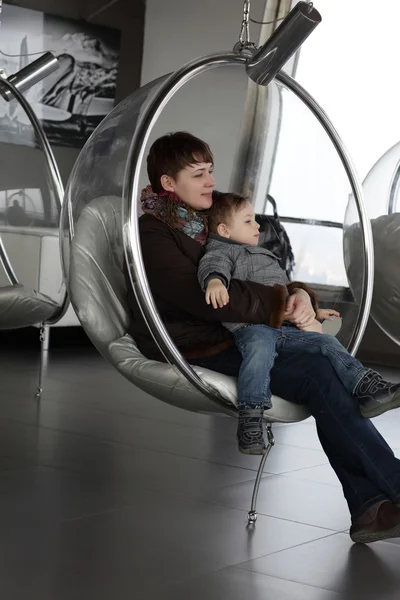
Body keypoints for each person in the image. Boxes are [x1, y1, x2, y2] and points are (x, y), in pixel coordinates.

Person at [126, 131, 400, 544]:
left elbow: (258, 270)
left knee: (321, 369)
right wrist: (283, 301)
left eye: (210, 172)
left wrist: (300, 295)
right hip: (198, 342)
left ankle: (372, 507)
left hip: (242, 333)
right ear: (168, 184)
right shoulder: (153, 231)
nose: (209, 182)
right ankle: (376, 501)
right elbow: (202, 300)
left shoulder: (211, 218)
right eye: (198, 174)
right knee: (318, 372)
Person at [198, 191, 400, 455]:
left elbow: (287, 293)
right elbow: (213, 265)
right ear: (224, 230)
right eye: (248, 221)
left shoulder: (261, 254)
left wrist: (315, 314)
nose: (258, 225)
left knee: (325, 341)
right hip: (252, 327)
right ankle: (250, 417)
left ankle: (366, 386)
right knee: (258, 354)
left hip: (284, 328)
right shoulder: (224, 251)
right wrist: (214, 281)